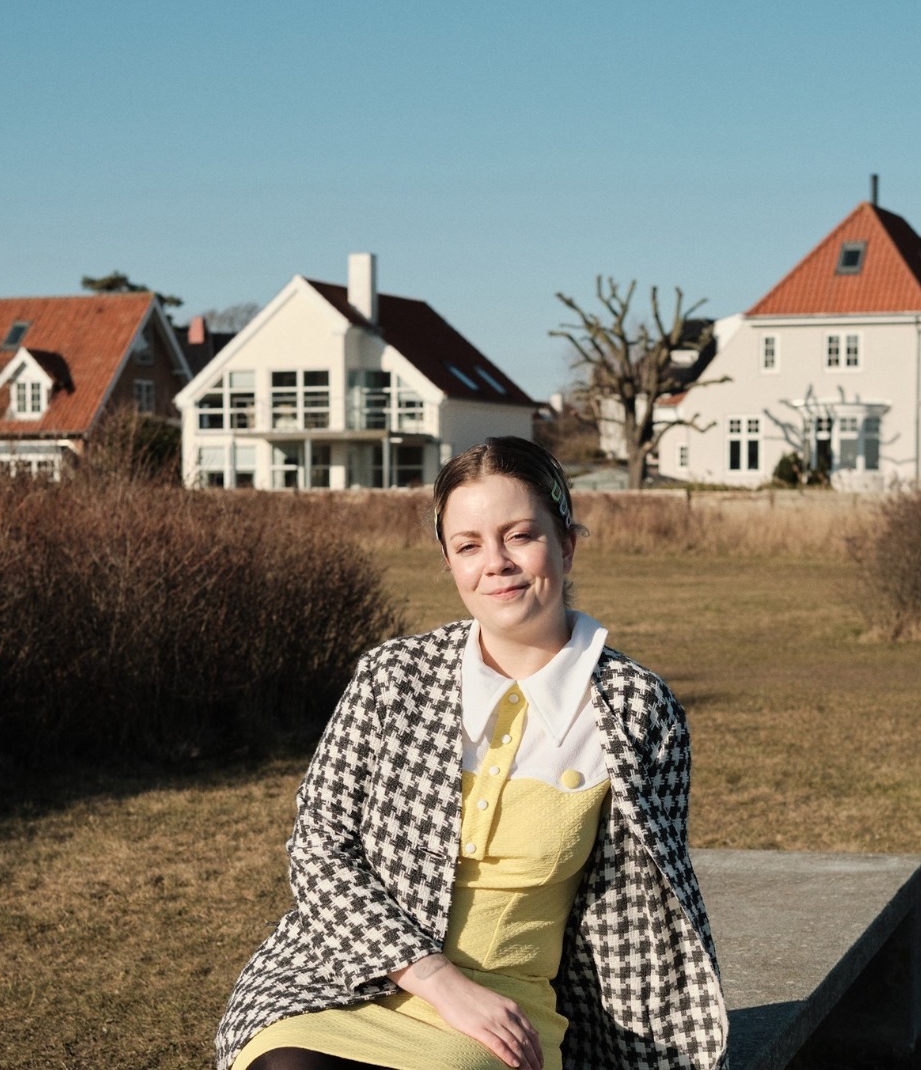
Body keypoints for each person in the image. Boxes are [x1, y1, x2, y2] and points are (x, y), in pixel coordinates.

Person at [216, 437, 728, 1070]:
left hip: (504, 1014)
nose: (496, 564)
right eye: (468, 545)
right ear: (449, 561)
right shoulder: (393, 675)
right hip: (337, 978)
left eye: (520, 536)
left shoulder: (635, 708)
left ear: (567, 544)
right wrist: (435, 978)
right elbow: (318, 847)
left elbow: (645, 907)